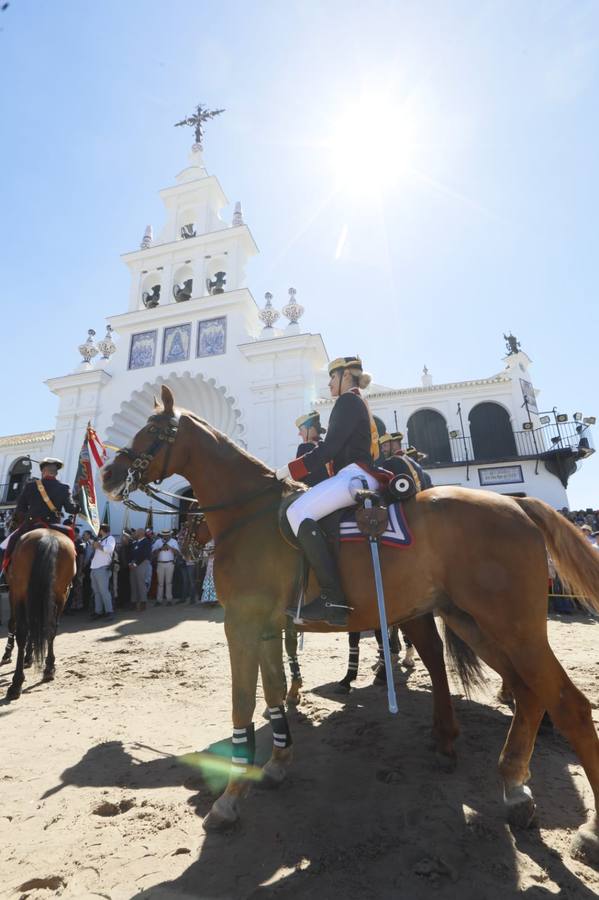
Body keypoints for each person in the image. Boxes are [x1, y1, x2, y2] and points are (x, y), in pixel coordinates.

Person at [276, 356, 385, 626]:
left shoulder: (348, 401)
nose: (328, 382)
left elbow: (329, 449)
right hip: (354, 474)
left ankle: (332, 598)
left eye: (332, 377)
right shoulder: (357, 400)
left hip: (354, 474)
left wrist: (289, 470)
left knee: (297, 510)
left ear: (345, 376)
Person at [1, 457, 78, 572]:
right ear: (56, 472)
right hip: (54, 526)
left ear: (43, 471)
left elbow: (20, 508)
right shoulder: (64, 488)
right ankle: (70, 578)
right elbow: (71, 509)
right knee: (71, 547)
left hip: (31, 524)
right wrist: (79, 505)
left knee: (6, 546)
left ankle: (3, 571)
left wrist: (25, 520)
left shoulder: (31, 486)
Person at [295, 411, 328, 486]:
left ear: (310, 429)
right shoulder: (325, 445)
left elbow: (298, 477)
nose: (299, 433)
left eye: (301, 430)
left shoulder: (304, 448)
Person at [90, 524, 116, 620]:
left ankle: (109, 611)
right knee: (97, 592)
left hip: (102, 568)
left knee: (104, 591)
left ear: (101, 530)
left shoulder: (110, 538)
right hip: (94, 568)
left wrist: (98, 546)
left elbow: (109, 549)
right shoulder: (100, 540)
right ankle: (98, 611)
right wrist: (96, 545)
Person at [152, 529, 180, 606]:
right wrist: (160, 548)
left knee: (169, 582)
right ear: (162, 535)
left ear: (170, 535)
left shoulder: (173, 541)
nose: (166, 536)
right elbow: (153, 553)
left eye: (167, 535)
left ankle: (169, 600)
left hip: (170, 563)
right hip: (160, 563)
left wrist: (170, 547)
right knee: (160, 583)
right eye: (164, 535)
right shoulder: (158, 541)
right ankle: (159, 600)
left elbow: (177, 553)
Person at [128, 527, 152, 611]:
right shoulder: (135, 543)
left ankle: (143, 602)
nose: (135, 534)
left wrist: (135, 563)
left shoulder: (146, 542)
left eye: (136, 532)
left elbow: (144, 554)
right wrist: (130, 563)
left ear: (141, 533)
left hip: (142, 564)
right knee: (133, 583)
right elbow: (131, 554)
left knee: (141, 583)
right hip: (133, 565)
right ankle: (134, 602)